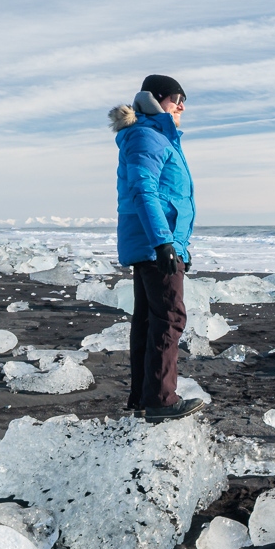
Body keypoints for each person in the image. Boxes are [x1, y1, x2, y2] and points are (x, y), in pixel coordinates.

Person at [109, 74, 205, 421]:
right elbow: (144, 190)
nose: (182, 107)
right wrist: (164, 242)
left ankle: (143, 399)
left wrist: (177, 245)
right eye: (178, 99)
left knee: (150, 321)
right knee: (169, 317)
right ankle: (161, 401)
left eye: (184, 101)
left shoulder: (159, 136)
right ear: (158, 98)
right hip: (155, 243)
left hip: (158, 241)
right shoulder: (147, 136)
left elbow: (168, 195)